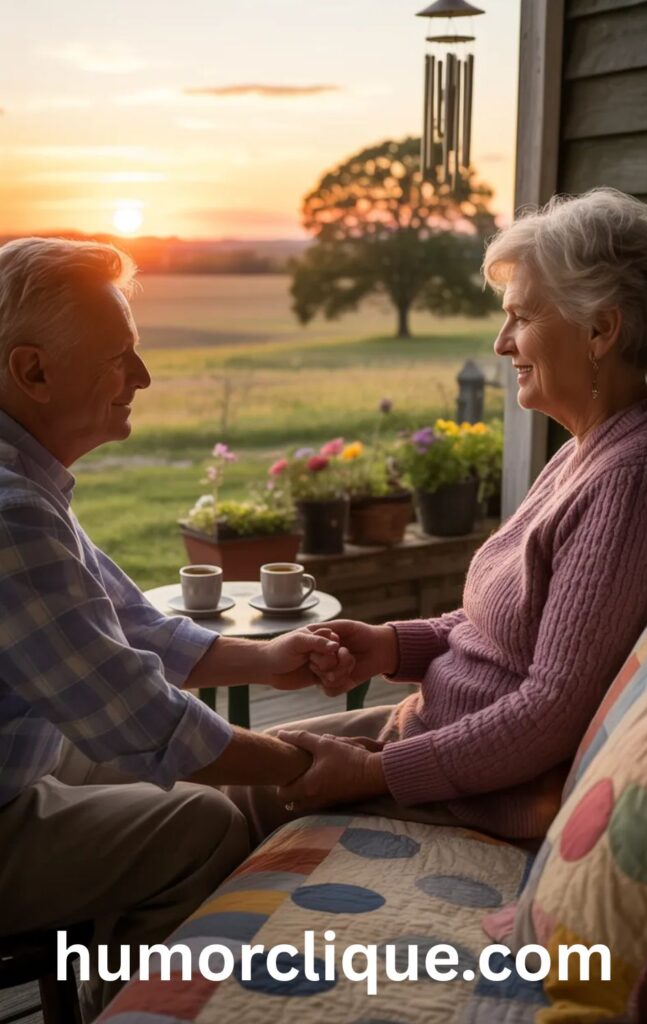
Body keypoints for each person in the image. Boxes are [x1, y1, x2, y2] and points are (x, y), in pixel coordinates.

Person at [227, 187, 647, 849]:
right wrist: (389, 646)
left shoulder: (629, 481)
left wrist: (374, 772)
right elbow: (502, 632)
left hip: (486, 794)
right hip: (436, 735)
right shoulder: (591, 447)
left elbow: (549, 711)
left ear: (599, 329)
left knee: (231, 798)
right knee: (239, 761)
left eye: (521, 318)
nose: (502, 344)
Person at [0, 236, 339, 1021]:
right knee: (201, 823)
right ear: (32, 371)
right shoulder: (12, 515)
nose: (143, 378)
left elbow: (125, 630)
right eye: (120, 356)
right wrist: (301, 762)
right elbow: (136, 716)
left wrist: (268, 658)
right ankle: (125, 1007)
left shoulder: (24, 482)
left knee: (169, 774)